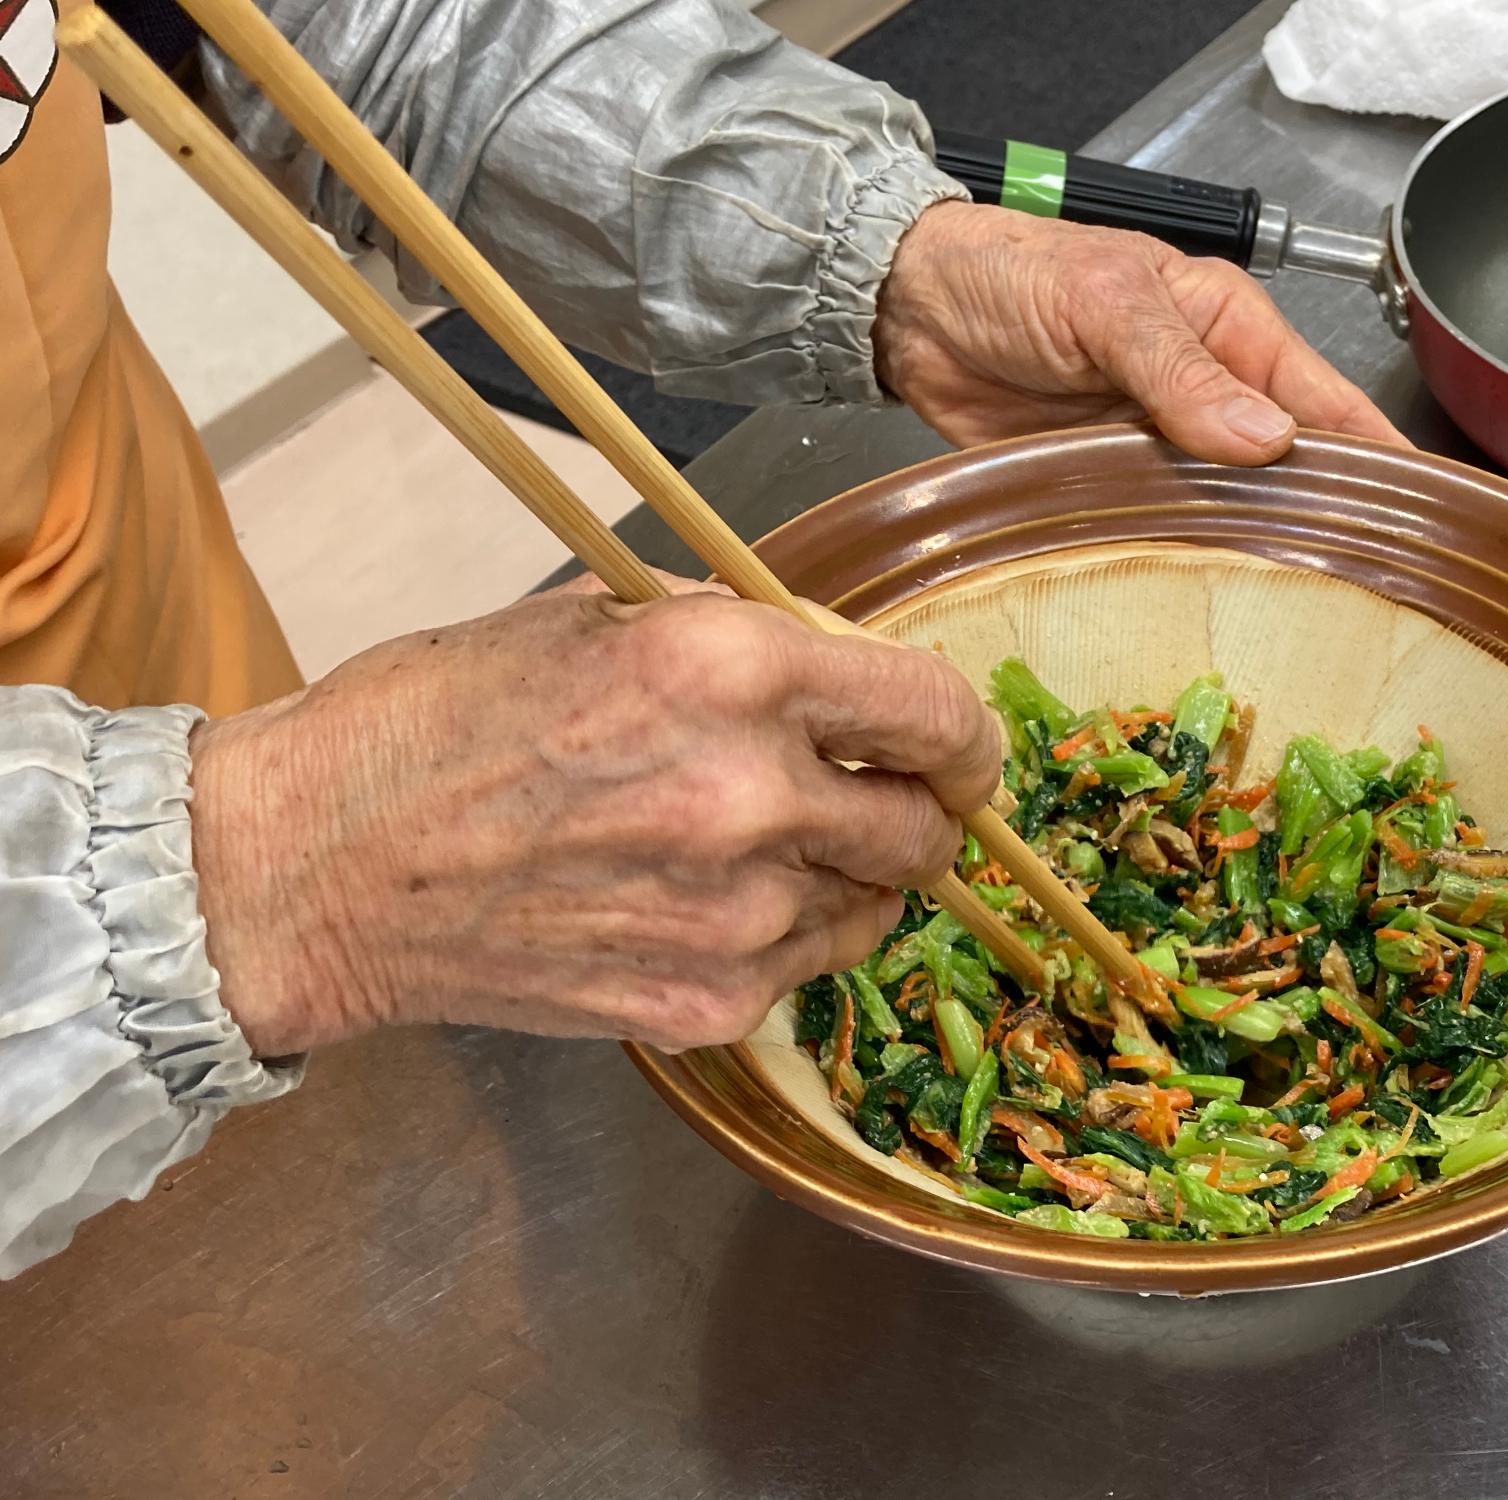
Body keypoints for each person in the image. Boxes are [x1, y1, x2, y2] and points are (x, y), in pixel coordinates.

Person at [0, 0, 1401, 1278]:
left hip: (124, 606)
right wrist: (256, 873)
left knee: (294, 1279)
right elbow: (247, 882)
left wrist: (880, 253)